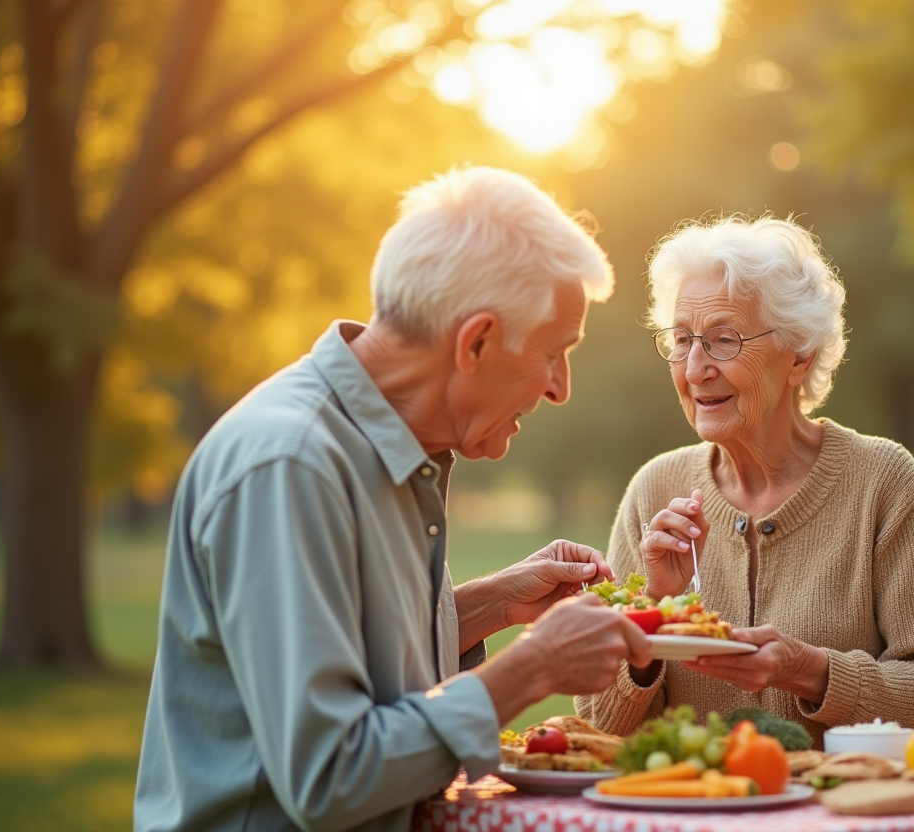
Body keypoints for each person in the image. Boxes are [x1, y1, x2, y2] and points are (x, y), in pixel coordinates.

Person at [134, 167, 652, 832]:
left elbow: (351, 658)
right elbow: (331, 776)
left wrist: (493, 605)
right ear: (477, 342)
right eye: (555, 351)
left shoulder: (388, 452)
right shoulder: (291, 467)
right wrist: (537, 665)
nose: (561, 388)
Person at [575, 216, 914, 745]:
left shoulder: (881, 481)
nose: (695, 367)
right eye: (681, 340)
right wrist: (651, 611)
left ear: (799, 356)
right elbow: (594, 728)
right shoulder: (655, 490)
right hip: (689, 819)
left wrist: (811, 672)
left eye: (723, 339)